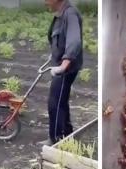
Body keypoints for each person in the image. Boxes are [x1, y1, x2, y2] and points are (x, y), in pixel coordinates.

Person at [38, 0, 83, 145]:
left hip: (66, 69)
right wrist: (54, 56)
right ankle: (68, 133)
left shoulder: (70, 14)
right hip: (61, 65)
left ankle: (56, 139)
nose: (44, 1)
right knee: (61, 100)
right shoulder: (60, 14)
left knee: (55, 102)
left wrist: (63, 65)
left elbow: (74, 41)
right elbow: (59, 40)